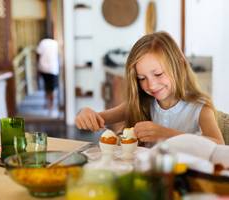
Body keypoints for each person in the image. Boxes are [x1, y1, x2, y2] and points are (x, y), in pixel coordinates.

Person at [75, 31, 224, 145]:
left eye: (158, 74)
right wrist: (85, 113)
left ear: (180, 65)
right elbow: (99, 119)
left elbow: (219, 145)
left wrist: (166, 134)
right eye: (142, 78)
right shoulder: (143, 103)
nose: (151, 85)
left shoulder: (200, 109)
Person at [36, 37, 59, 110]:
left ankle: (47, 103)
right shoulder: (55, 43)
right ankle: (51, 105)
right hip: (53, 68)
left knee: (46, 86)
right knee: (52, 88)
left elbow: (38, 54)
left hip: (43, 67)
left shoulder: (42, 42)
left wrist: (37, 66)